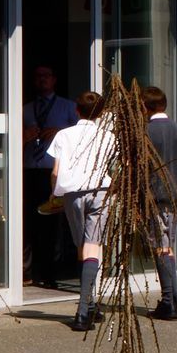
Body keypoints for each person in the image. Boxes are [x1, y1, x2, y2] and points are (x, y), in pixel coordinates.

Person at [48, 90, 113, 331]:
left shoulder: (63, 135)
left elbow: (55, 172)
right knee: (93, 246)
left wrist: (54, 195)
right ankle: (84, 311)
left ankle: (89, 304)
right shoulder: (108, 136)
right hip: (100, 190)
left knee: (81, 248)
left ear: (77, 110)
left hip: (72, 194)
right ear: (102, 113)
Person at [142, 85, 177, 321]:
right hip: (176, 195)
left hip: (155, 196)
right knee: (168, 245)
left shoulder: (145, 132)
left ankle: (169, 301)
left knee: (161, 247)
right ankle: (175, 296)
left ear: (146, 107)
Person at [20, 64, 78, 287]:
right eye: (38, 76)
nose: (42, 79)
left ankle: (50, 273)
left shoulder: (68, 108)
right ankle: (27, 271)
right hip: (29, 171)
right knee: (28, 222)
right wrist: (24, 136)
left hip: (53, 171)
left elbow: (80, 139)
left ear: (54, 79)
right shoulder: (25, 109)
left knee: (52, 225)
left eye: (46, 76)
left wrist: (59, 133)